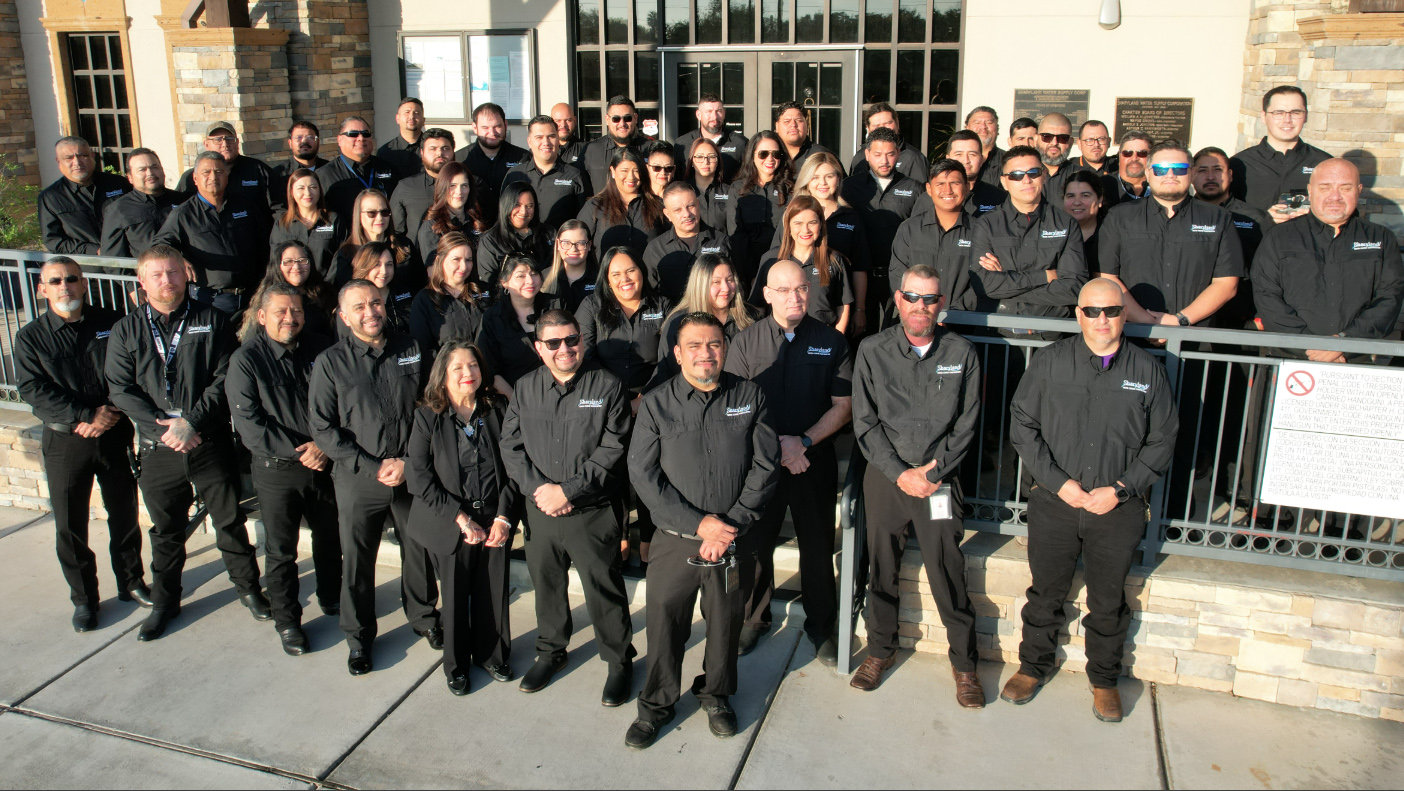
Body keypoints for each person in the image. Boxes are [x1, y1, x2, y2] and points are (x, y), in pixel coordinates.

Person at [1004, 278, 1178, 723]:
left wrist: (1120, 489)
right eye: (1093, 311)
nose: (1103, 320)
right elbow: (1023, 425)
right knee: (1045, 593)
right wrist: (1059, 483)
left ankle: (1103, 680)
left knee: (1108, 599)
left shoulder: (1147, 369)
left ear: (1124, 314)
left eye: (1113, 311)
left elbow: (1163, 439)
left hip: (1116, 508)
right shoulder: (1050, 362)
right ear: (1079, 314)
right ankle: (1032, 667)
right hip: (1056, 502)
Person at [624, 312, 779, 750]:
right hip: (676, 542)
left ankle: (716, 694)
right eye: (694, 345)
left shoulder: (750, 396)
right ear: (677, 353)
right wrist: (699, 524)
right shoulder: (656, 403)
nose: (705, 353)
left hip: (733, 539)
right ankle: (656, 704)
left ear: (724, 348)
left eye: (713, 344)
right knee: (664, 624)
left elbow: (765, 467)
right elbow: (643, 473)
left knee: (726, 624)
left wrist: (729, 526)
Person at [104, 245, 265, 642]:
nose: (167, 281)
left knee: (229, 522)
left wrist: (190, 422)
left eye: (173, 272)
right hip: (160, 450)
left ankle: (249, 590)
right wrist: (165, 430)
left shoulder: (212, 320)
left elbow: (225, 377)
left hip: (208, 441)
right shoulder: (126, 330)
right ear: (142, 282)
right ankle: (165, 603)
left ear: (185, 275)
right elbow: (120, 389)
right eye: (157, 275)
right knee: (167, 531)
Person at [849, 265, 982, 706]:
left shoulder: (962, 353)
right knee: (881, 569)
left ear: (940, 304)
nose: (921, 306)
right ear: (898, 299)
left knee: (948, 572)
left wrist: (931, 472)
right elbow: (865, 423)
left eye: (930, 299)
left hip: (938, 481)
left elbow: (966, 425)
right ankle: (879, 652)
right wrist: (899, 472)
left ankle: (965, 667)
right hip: (887, 478)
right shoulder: (872, 350)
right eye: (913, 297)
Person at [501, 310, 636, 703]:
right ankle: (551, 652)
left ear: (581, 340)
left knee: (603, 590)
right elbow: (510, 446)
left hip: (592, 511)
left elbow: (613, 449)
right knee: (547, 586)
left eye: (572, 340)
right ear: (539, 347)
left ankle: (618, 661)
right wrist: (541, 491)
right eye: (555, 343)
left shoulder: (608, 386)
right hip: (541, 510)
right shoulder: (524, 389)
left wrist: (569, 491)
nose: (565, 349)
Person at [309, 278, 442, 676]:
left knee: (417, 550)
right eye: (360, 307)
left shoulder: (412, 349)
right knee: (358, 559)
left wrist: (406, 461)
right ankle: (359, 638)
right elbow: (323, 428)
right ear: (344, 316)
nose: (370, 312)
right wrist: (372, 467)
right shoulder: (330, 363)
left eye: (375, 303)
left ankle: (423, 617)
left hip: (409, 472)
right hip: (358, 478)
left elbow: (428, 406)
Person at [725, 260, 851, 663]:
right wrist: (778, 448)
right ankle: (754, 621)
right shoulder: (745, 343)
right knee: (757, 548)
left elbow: (844, 406)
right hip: (763, 466)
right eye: (783, 290)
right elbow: (736, 407)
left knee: (816, 549)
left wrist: (804, 442)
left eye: (800, 289)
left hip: (812, 461)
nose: (794, 297)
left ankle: (822, 628)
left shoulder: (832, 342)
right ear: (766, 294)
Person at [16, 258, 146, 632]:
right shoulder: (31, 337)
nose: (64, 286)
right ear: (43, 289)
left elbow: (130, 369)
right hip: (65, 441)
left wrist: (109, 413)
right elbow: (33, 389)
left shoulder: (111, 322)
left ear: (84, 283)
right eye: (55, 281)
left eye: (71, 279)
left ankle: (132, 583)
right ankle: (84, 599)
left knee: (123, 514)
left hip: (114, 432)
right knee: (70, 526)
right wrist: (85, 415)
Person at [226, 284, 340, 656]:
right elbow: (251, 424)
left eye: (296, 312)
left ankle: (332, 598)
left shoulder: (321, 348)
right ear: (262, 316)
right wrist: (302, 452)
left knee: (329, 539)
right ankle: (288, 621)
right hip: (277, 471)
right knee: (281, 551)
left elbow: (340, 401)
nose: (290, 319)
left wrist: (324, 446)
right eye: (281, 312)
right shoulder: (246, 361)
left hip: (324, 464)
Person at [406, 340, 518, 694]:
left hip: (493, 515)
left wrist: (503, 516)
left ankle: (492, 654)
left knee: (493, 590)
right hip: (450, 518)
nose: (467, 373)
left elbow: (515, 468)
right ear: (442, 376)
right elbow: (419, 476)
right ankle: (456, 665)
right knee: (454, 597)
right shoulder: (428, 415)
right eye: (457, 368)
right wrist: (459, 518)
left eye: (473, 365)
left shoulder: (496, 407)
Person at [1099, 140, 1243, 328]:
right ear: (1149, 174)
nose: (1170, 175)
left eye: (1180, 169)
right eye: (1160, 169)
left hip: (1195, 337)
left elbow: (1226, 284)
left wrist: (1180, 320)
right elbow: (1107, 277)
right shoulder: (1119, 217)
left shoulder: (1218, 218)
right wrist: (1147, 322)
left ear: (1191, 173)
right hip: (1133, 336)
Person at [969, 145, 1088, 324]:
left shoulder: (1066, 223)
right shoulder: (986, 224)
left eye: (1033, 172)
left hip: (1051, 334)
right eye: (1016, 175)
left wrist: (1008, 284)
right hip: (999, 334)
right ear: (1004, 182)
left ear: (1044, 175)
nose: (1026, 180)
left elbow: (1074, 287)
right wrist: (1046, 276)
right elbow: (985, 285)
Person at [153, 151, 271, 314]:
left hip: (253, 295)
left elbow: (265, 240)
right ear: (195, 178)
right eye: (206, 172)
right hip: (212, 301)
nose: (213, 177)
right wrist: (178, 258)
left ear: (227, 175)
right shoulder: (183, 214)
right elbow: (159, 246)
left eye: (218, 171)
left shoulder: (245, 205)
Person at [775, 152, 872, 327]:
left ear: (838, 179)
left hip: (836, 310)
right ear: (806, 180)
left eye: (829, 176)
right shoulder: (791, 215)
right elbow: (777, 258)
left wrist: (860, 310)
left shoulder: (851, 217)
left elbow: (859, 268)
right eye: (816, 177)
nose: (823, 183)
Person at [577, 246, 673, 405]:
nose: (625, 279)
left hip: (655, 398)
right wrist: (612, 398)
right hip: (602, 397)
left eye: (630, 271)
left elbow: (669, 358)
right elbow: (585, 355)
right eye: (616, 274)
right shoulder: (591, 306)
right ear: (607, 280)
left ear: (642, 271)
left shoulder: (663, 306)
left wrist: (643, 399)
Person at [650, 253, 757, 392]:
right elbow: (666, 375)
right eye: (716, 282)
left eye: (730, 280)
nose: (726, 288)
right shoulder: (678, 323)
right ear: (700, 284)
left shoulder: (751, 317)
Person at [840, 128, 922, 307]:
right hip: (857, 278)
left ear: (898, 154)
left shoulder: (915, 189)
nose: (884, 161)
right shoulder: (849, 187)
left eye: (890, 154)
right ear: (867, 154)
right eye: (877, 154)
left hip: (899, 280)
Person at [1192, 146, 1270, 326]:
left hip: (1242, 321)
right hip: (1193, 321)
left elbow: (1270, 272)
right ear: (1191, 175)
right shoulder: (1179, 216)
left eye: (1218, 170)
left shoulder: (1256, 219)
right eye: (1203, 171)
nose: (1211, 177)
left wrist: (1260, 316)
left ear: (1231, 175)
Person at [752, 196, 853, 332]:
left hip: (821, 339)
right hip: (780, 340)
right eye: (798, 223)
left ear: (821, 224)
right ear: (788, 226)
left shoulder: (834, 259)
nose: (805, 230)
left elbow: (843, 305)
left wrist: (835, 341)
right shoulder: (771, 259)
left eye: (812, 223)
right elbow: (757, 306)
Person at [1231, 85, 1332, 221]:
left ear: (1306, 116)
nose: (1287, 119)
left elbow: (1344, 211)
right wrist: (1265, 219)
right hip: (1255, 240)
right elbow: (1224, 209)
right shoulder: (1239, 163)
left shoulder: (1324, 163)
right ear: (1263, 116)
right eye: (1278, 113)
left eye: (1296, 112)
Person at [889, 159, 977, 313]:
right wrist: (919, 309)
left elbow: (983, 281)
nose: (947, 190)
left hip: (963, 322)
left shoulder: (980, 231)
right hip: (915, 318)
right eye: (940, 184)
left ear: (967, 187)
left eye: (955, 183)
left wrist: (954, 313)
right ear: (929, 189)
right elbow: (898, 275)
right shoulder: (910, 229)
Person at [476, 254, 564, 393]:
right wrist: (515, 403)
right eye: (520, 276)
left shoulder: (557, 305)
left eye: (534, 274)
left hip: (559, 391)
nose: (530, 280)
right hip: (514, 395)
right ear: (504, 282)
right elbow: (489, 368)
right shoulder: (492, 317)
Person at [39, 136, 130, 254]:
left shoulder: (119, 184)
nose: (77, 162)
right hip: (87, 267)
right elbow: (53, 241)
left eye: (83, 156)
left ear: (92, 156)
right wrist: (94, 251)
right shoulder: (50, 198)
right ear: (58, 161)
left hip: (128, 260)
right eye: (69, 158)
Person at [644, 182, 730, 303]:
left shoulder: (722, 242)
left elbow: (736, 286)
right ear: (667, 214)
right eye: (678, 210)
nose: (687, 214)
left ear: (698, 205)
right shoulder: (655, 249)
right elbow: (649, 294)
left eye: (690, 206)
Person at [504, 115, 591, 233]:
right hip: (520, 248)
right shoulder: (514, 175)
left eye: (551, 136)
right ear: (529, 142)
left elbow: (583, 221)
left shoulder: (575, 176)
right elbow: (504, 216)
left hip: (559, 249)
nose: (546, 142)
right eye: (539, 137)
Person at [728, 131, 793, 287]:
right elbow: (736, 235)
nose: (770, 159)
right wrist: (752, 275)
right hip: (747, 271)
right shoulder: (738, 189)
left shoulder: (791, 189)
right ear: (752, 155)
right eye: (763, 154)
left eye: (775, 154)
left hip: (783, 268)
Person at [576, 147, 667, 257]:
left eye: (636, 171)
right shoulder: (595, 206)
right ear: (613, 171)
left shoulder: (657, 205)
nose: (631, 177)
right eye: (624, 171)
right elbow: (578, 243)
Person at [238, 241, 337, 342]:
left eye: (302, 261)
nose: (296, 267)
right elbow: (251, 343)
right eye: (288, 262)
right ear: (277, 266)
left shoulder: (326, 294)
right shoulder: (266, 299)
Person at [333, 188, 422, 297]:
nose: (380, 218)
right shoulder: (347, 252)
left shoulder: (404, 245)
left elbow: (419, 283)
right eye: (371, 213)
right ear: (359, 215)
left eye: (384, 212)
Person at [175, 122, 273, 219]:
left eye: (230, 139)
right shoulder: (192, 178)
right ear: (206, 144)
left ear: (237, 142)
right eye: (218, 140)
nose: (225, 144)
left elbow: (278, 208)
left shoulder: (258, 170)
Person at [409, 233, 485, 358]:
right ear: (440, 260)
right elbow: (424, 348)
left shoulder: (483, 292)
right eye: (456, 259)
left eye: (468, 260)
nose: (464, 266)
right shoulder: (425, 300)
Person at [101, 148, 186, 258]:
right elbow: (113, 259)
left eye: (154, 167)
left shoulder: (182, 201)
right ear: (130, 178)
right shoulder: (118, 210)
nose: (150, 173)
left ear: (162, 171)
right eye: (142, 170)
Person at [317, 116, 401, 221]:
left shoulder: (389, 170)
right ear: (340, 140)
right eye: (353, 134)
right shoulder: (324, 175)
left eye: (366, 134)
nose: (361, 138)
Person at [269, 168, 343, 281]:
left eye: (313, 187)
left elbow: (340, 257)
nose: (307, 193)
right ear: (291, 192)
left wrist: (325, 287)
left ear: (320, 190)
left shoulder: (333, 220)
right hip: (292, 291)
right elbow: (276, 260)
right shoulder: (282, 223)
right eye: (301, 188)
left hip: (327, 290)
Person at [457, 102, 529, 214]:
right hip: (473, 225)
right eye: (485, 127)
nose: (492, 133)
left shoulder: (523, 157)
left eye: (497, 126)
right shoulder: (460, 159)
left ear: (505, 125)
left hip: (511, 224)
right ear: (475, 128)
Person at [477, 182, 553, 287]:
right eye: (517, 205)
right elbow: (488, 282)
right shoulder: (490, 241)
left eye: (529, 206)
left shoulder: (549, 234)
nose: (523, 211)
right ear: (506, 205)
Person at [418, 161, 490, 271]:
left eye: (464, 186)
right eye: (452, 186)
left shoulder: (477, 220)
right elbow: (433, 272)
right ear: (442, 187)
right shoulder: (432, 226)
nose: (459, 192)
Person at [390, 128, 456, 242]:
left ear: (453, 152)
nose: (439, 153)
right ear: (422, 153)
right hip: (418, 258)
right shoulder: (406, 187)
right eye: (432, 149)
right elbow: (395, 231)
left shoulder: (468, 184)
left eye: (445, 148)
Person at [581, 96, 651, 196]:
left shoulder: (649, 149)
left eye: (627, 118)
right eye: (616, 119)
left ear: (635, 118)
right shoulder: (591, 150)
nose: (622, 123)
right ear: (607, 119)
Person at [671, 96, 749, 183]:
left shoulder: (740, 143)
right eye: (709, 112)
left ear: (724, 113)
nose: (714, 117)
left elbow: (747, 178)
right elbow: (676, 181)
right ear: (698, 115)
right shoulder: (683, 144)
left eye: (718, 111)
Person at [848, 103, 929, 183]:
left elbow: (921, 193)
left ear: (897, 123)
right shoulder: (860, 157)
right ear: (868, 128)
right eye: (876, 125)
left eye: (887, 123)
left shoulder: (914, 158)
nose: (882, 127)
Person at [347, 241, 416, 334]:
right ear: (364, 266)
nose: (384, 271)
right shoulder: (350, 303)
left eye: (389, 265)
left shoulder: (404, 292)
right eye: (377, 265)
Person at [942, 131, 1007, 217]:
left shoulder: (999, 198)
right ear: (948, 159)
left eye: (972, 154)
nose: (966, 160)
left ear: (982, 159)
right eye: (959, 154)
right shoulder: (933, 197)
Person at [541, 219, 598, 312]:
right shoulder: (543, 277)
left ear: (589, 245)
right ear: (558, 244)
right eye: (566, 243)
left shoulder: (601, 277)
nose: (573, 249)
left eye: (580, 243)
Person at [270, 121, 329, 211]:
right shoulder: (278, 175)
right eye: (299, 137)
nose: (304, 141)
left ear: (318, 141)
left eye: (310, 137)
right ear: (290, 143)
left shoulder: (330, 170)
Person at [684, 137, 735, 236]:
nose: (705, 162)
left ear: (718, 161)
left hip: (722, 249)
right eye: (699, 157)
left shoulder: (730, 192)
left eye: (711, 157)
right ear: (692, 161)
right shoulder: (682, 191)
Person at [1063, 171, 1105, 277]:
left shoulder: (1111, 234)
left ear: (1100, 200)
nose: (1077, 202)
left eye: (1085, 195)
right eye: (1070, 196)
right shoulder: (1054, 234)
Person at [773, 102, 833, 174]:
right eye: (787, 121)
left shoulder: (821, 155)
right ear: (776, 126)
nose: (793, 125)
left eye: (798, 120)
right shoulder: (769, 156)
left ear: (807, 124)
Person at [1034, 113, 1078, 205]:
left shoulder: (1082, 176)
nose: (1054, 143)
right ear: (1035, 139)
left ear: (1070, 142)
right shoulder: (1023, 176)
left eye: (1062, 138)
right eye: (1047, 137)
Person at [378, 97, 426, 178]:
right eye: (407, 112)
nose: (411, 116)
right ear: (397, 118)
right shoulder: (386, 152)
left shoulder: (433, 148)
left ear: (424, 120)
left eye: (417, 112)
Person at [1104, 131, 1152, 207]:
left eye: (1142, 153)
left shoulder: (1162, 185)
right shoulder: (1102, 186)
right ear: (1119, 155)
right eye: (1127, 153)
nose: (1134, 158)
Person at [963, 105, 1003, 187]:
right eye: (977, 123)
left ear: (997, 128)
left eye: (989, 123)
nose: (983, 127)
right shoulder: (956, 159)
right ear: (967, 128)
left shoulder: (1008, 161)